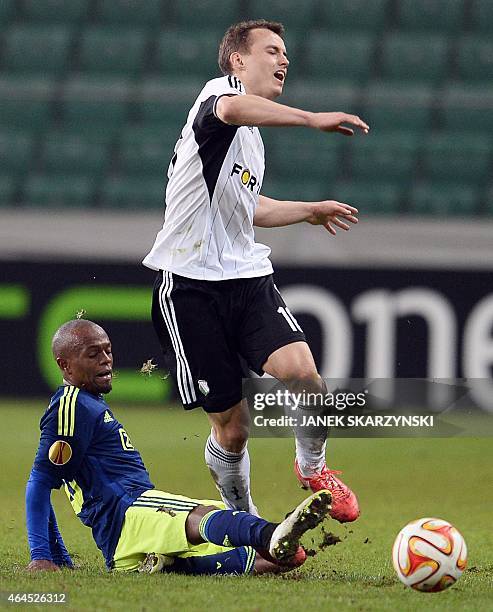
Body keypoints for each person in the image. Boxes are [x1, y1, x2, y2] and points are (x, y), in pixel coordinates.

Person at [143, 19, 368, 521]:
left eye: (285, 52)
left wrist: (307, 210)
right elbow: (231, 108)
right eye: (272, 50)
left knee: (305, 377)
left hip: (245, 277)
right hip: (189, 284)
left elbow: (248, 207)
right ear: (238, 61)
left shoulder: (251, 144)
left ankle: (313, 469)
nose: (284, 60)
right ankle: (244, 518)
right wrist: (311, 119)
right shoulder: (218, 94)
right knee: (234, 427)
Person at [25, 319, 332, 575]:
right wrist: (41, 556)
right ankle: (273, 531)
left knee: (278, 560)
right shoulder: (71, 405)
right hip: (130, 511)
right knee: (205, 515)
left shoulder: (87, 403)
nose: (106, 360)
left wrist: (60, 559)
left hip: (120, 545)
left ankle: (162, 563)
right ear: (64, 365)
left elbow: (51, 477)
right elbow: (40, 482)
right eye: (93, 354)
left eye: (108, 351)